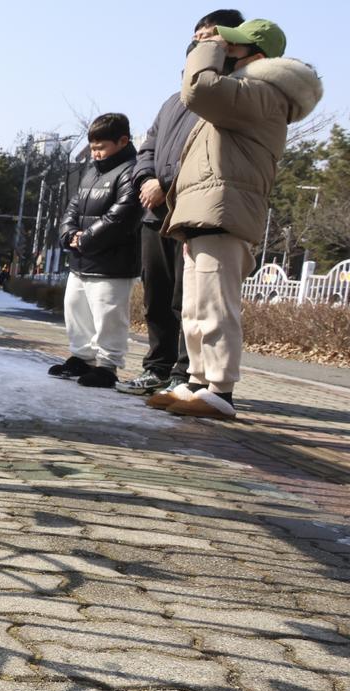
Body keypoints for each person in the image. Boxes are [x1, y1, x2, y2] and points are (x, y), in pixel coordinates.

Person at [152, 18, 322, 419]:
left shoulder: (262, 91)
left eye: (231, 47)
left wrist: (206, 48)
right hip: (206, 210)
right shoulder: (248, 92)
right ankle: (196, 381)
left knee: (215, 305)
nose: (222, 51)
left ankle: (220, 389)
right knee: (195, 307)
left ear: (257, 56)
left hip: (224, 208)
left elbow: (197, 89)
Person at [118, 9, 245, 398]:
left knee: (186, 300)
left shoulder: (225, 98)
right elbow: (148, 147)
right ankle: (155, 367)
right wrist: (146, 180)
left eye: (211, 35)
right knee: (156, 296)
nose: (201, 41)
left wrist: (166, 185)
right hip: (153, 212)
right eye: (197, 35)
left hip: (189, 211)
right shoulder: (173, 100)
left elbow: (207, 159)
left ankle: (183, 371)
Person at [47, 113, 142, 388]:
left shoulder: (131, 171)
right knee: (76, 310)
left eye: (101, 148)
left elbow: (122, 216)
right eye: (93, 148)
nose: (96, 154)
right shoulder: (92, 172)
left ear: (123, 141)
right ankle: (82, 357)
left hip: (113, 263)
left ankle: (107, 365)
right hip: (81, 261)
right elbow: (72, 208)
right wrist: (68, 234)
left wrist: (85, 238)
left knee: (108, 316)